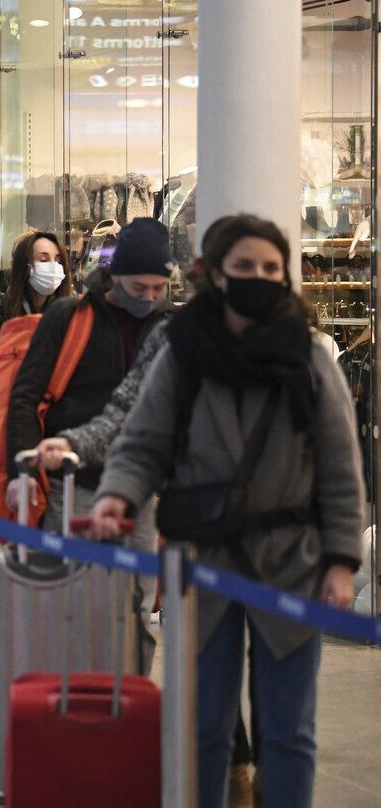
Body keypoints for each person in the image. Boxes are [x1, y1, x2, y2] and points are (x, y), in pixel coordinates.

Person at [90, 214, 363, 808]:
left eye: (270, 267)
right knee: (203, 728)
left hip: (293, 563)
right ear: (212, 273)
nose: (257, 277)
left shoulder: (310, 358)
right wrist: (117, 494)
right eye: (244, 266)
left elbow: (342, 467)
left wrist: (342, 561)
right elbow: (143, 442)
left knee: (289, 733)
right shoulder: (183, 353)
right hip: (203, 564)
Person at [5, 217, 175, 534]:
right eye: (139, 287)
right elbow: (25, 396)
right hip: (72, 482)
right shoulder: (69, 316)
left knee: (137, 568)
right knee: (71, 565)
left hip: (140, 488)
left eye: (159, 288)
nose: (149, 298)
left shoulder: (168, 327)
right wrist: (20, 473)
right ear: (116, 275)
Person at [0, 230, 74, 380]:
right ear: (24, 267)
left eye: (58, 261)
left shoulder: (69, 313)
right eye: (43, 260)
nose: (53, 267)